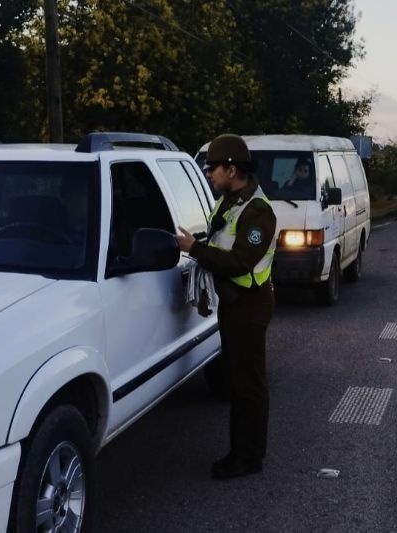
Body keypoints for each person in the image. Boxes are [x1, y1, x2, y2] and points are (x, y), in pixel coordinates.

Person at [174, 134, 277, 480]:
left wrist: (193, 249)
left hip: (250, 305)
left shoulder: (258, 212)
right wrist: (198, 243)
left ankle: (248, 458)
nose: (209, 176)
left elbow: (240, 261)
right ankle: (240, 452)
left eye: (212, 169)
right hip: (234, 305)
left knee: (249, 385)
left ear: (231, 169)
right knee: (238, 382)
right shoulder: (231, 202)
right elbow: (219, 238)